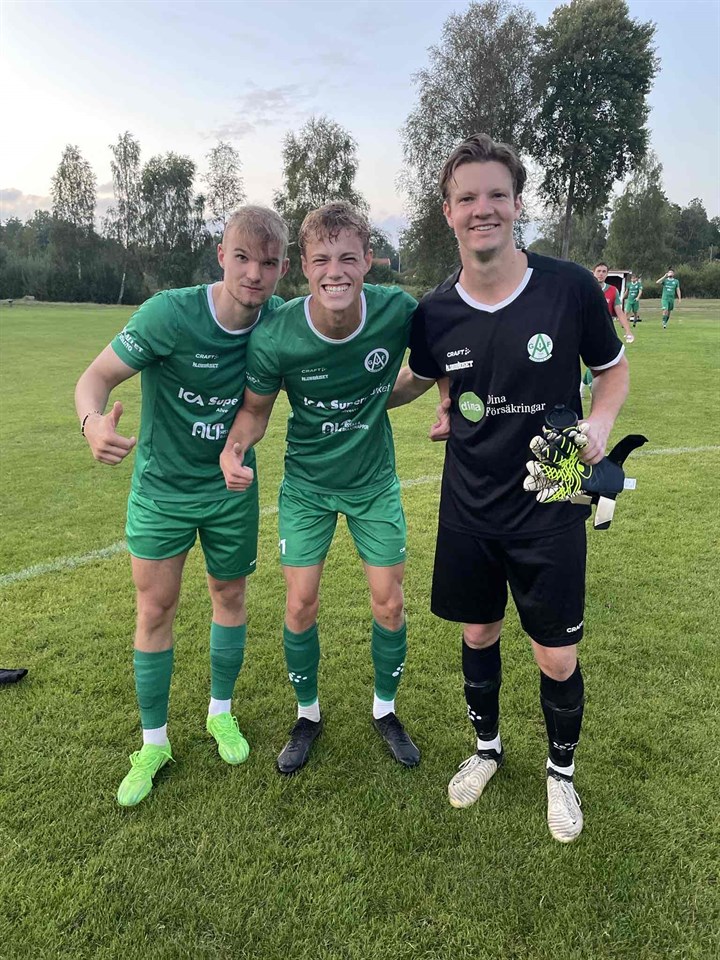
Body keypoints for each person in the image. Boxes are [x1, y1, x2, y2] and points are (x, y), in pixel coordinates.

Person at [388, 133, 629, 843]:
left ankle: (561, 772)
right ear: (448, 212)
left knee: (555, 653)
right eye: (467, 198)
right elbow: (420, 379)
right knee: (478, 631)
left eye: (497, 194)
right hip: (469, 505)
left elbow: (611, 370)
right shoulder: (435, 311)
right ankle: (487, 749)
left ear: (518, 203)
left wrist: (600, 424)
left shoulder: (568, 287)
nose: (483, 208)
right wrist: (345, 385)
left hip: (551, 500)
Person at [75, 206, 289, 806]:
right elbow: (94, 379)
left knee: (230, 597)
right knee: (155, 608)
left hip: (231, 491)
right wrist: (92, 423)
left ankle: (221, 713)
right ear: (221, 256)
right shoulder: (169, 314)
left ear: (282, 269)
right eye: (242, 258)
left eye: (268, 263)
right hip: (162, 491)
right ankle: (154, 742)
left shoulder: (279, 323)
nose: (254, 274)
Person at [220, 202, 422, 775]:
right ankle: (306, 715)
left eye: (348, 258)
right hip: (307, 486)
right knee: (299, 602)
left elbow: (443, 354)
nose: (336, 271)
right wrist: (234, 448)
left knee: (389, 602)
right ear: (304, 267)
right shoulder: (278, 334)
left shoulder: (397, 311)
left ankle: (385, 710)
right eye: (322, 260)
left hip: (373, 483)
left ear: (369, 261)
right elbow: (255, 412)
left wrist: (445, 396)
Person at [593, 262, 634, 343]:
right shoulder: (586, 289)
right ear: (593, 273)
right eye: (598, 271)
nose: (601, 274)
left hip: (606, 330)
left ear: (607, 274)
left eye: (604, 271)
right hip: (588, 330)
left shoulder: (613, 290)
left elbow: (620, 313)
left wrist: (628, 331)